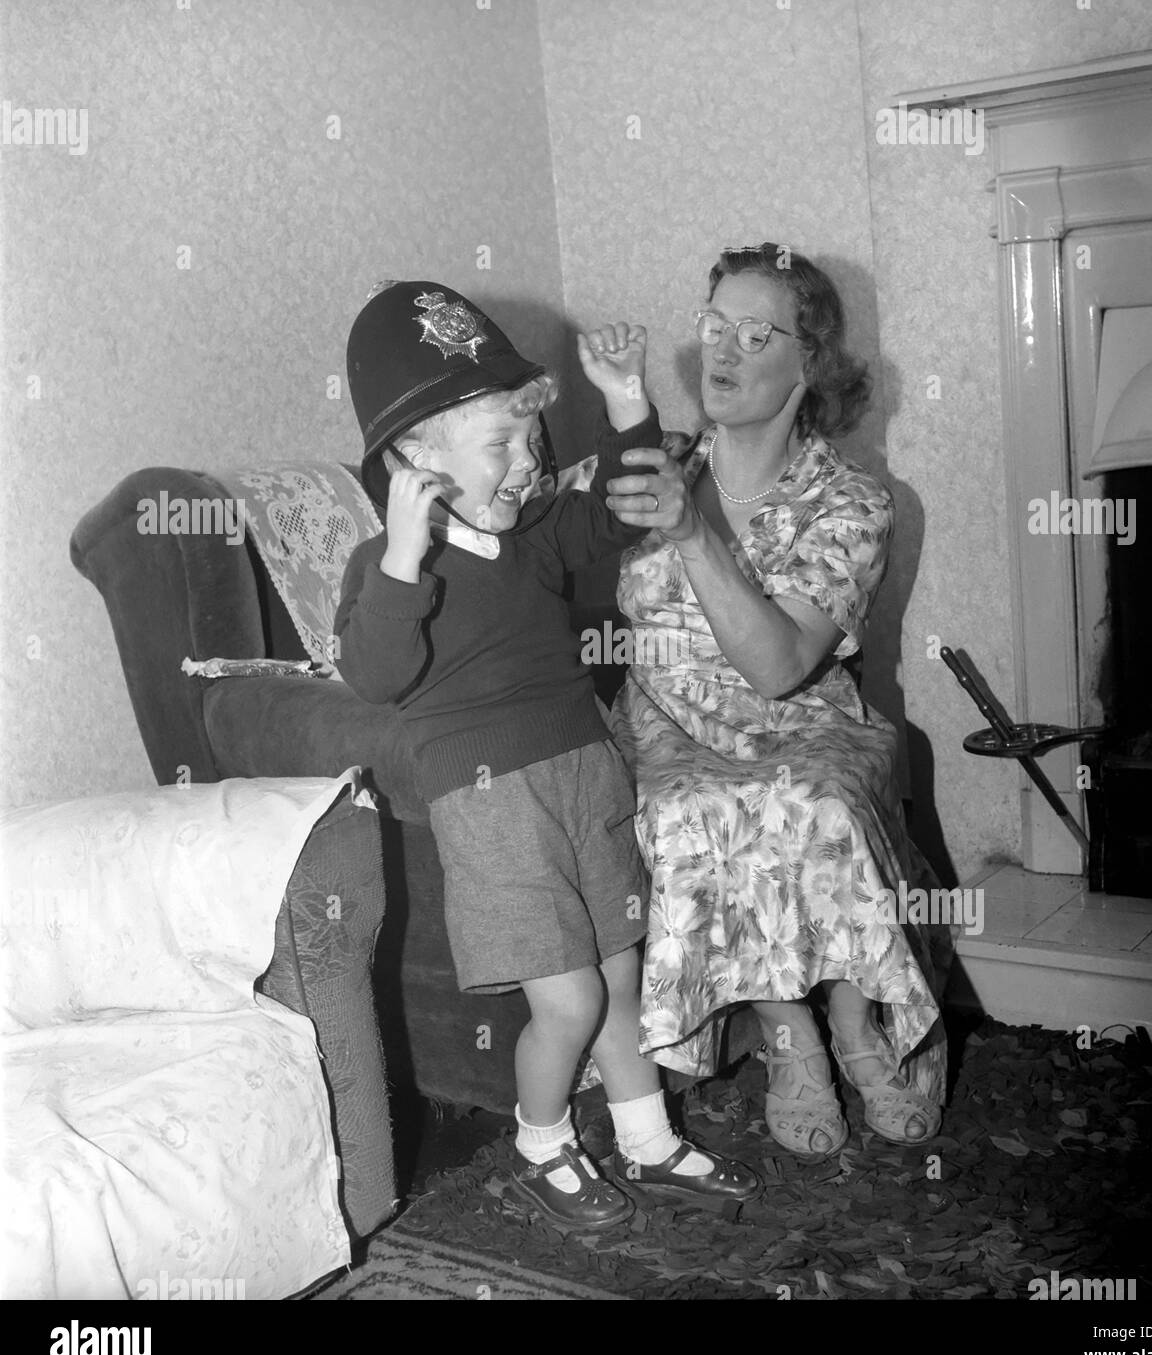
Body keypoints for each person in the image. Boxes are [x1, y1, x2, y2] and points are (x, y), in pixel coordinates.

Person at [333, 280, 758, 1230]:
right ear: (412, 465)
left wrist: (623, 402)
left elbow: (624, 506)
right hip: (490, 808)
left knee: (617, 980)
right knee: (565, 1001)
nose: (528, 463)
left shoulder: (530, 536)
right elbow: (374, 675)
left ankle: (647, 1142)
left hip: (582, 773)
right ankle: (541, 1143)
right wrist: (401, 558)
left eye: (530, 438)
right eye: (500, 445)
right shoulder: (387, 569)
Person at [603, 244, 951, 1159]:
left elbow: (780, 665)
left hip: (802, 718)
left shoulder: (851, 502)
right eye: (713, 325)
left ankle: (850, 1020)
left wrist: (688, 532)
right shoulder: (654, 465)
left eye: (754, 333)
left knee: (812, 801)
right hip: (668, 719)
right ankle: (787, 1038)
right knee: (693, 811)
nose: (721, 349)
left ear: (812, 364)